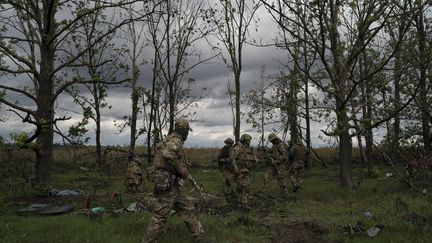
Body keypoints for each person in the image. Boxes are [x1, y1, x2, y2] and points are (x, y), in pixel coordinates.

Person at [142, 118, 205, 243]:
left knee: (187, 209)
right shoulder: (175, 140)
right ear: (183, 130)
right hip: (167, 186)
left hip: (171, 185)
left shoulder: (168, 140)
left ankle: (201, 238)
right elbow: (168, 154)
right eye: (187, 131)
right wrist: (180, 168)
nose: (187, 133)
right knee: (160, 216)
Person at [231, 134, 256, 211]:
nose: (249, 142)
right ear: (244, 140)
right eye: (248, 140)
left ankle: (240, 203)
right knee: (244, 187)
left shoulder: (247, 148)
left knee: (243, 187)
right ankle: (243, 203)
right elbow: (232, 159)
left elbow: (252, 157)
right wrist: (236, 169)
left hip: (246, 170)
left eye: (249, 141)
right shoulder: (238, 148)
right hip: (240, 170)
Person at [265, 133, 289, 197]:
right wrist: (267, 150)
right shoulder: (275, 145)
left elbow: (284, 155)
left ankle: (285, 194)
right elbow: (272, 151)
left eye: (271, 140)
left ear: (275, 139)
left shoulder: (281, 145)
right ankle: (266, 192)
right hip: (273, 164)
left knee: (281, 179)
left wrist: (276, 161)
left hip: (280, 165)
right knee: (267, 177)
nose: (271, 142)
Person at [216, 138, 237, 205]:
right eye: (227, 143)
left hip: (232, 168)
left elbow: (233, 159)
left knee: (231, 180)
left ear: (231, 144)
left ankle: (233, 192)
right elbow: (219, 158)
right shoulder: (223, 149)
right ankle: (228, 193)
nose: (227, 144)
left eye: (229, 143)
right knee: (226, 181)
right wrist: (220, 166)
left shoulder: (233, 150)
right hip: (226, 168)